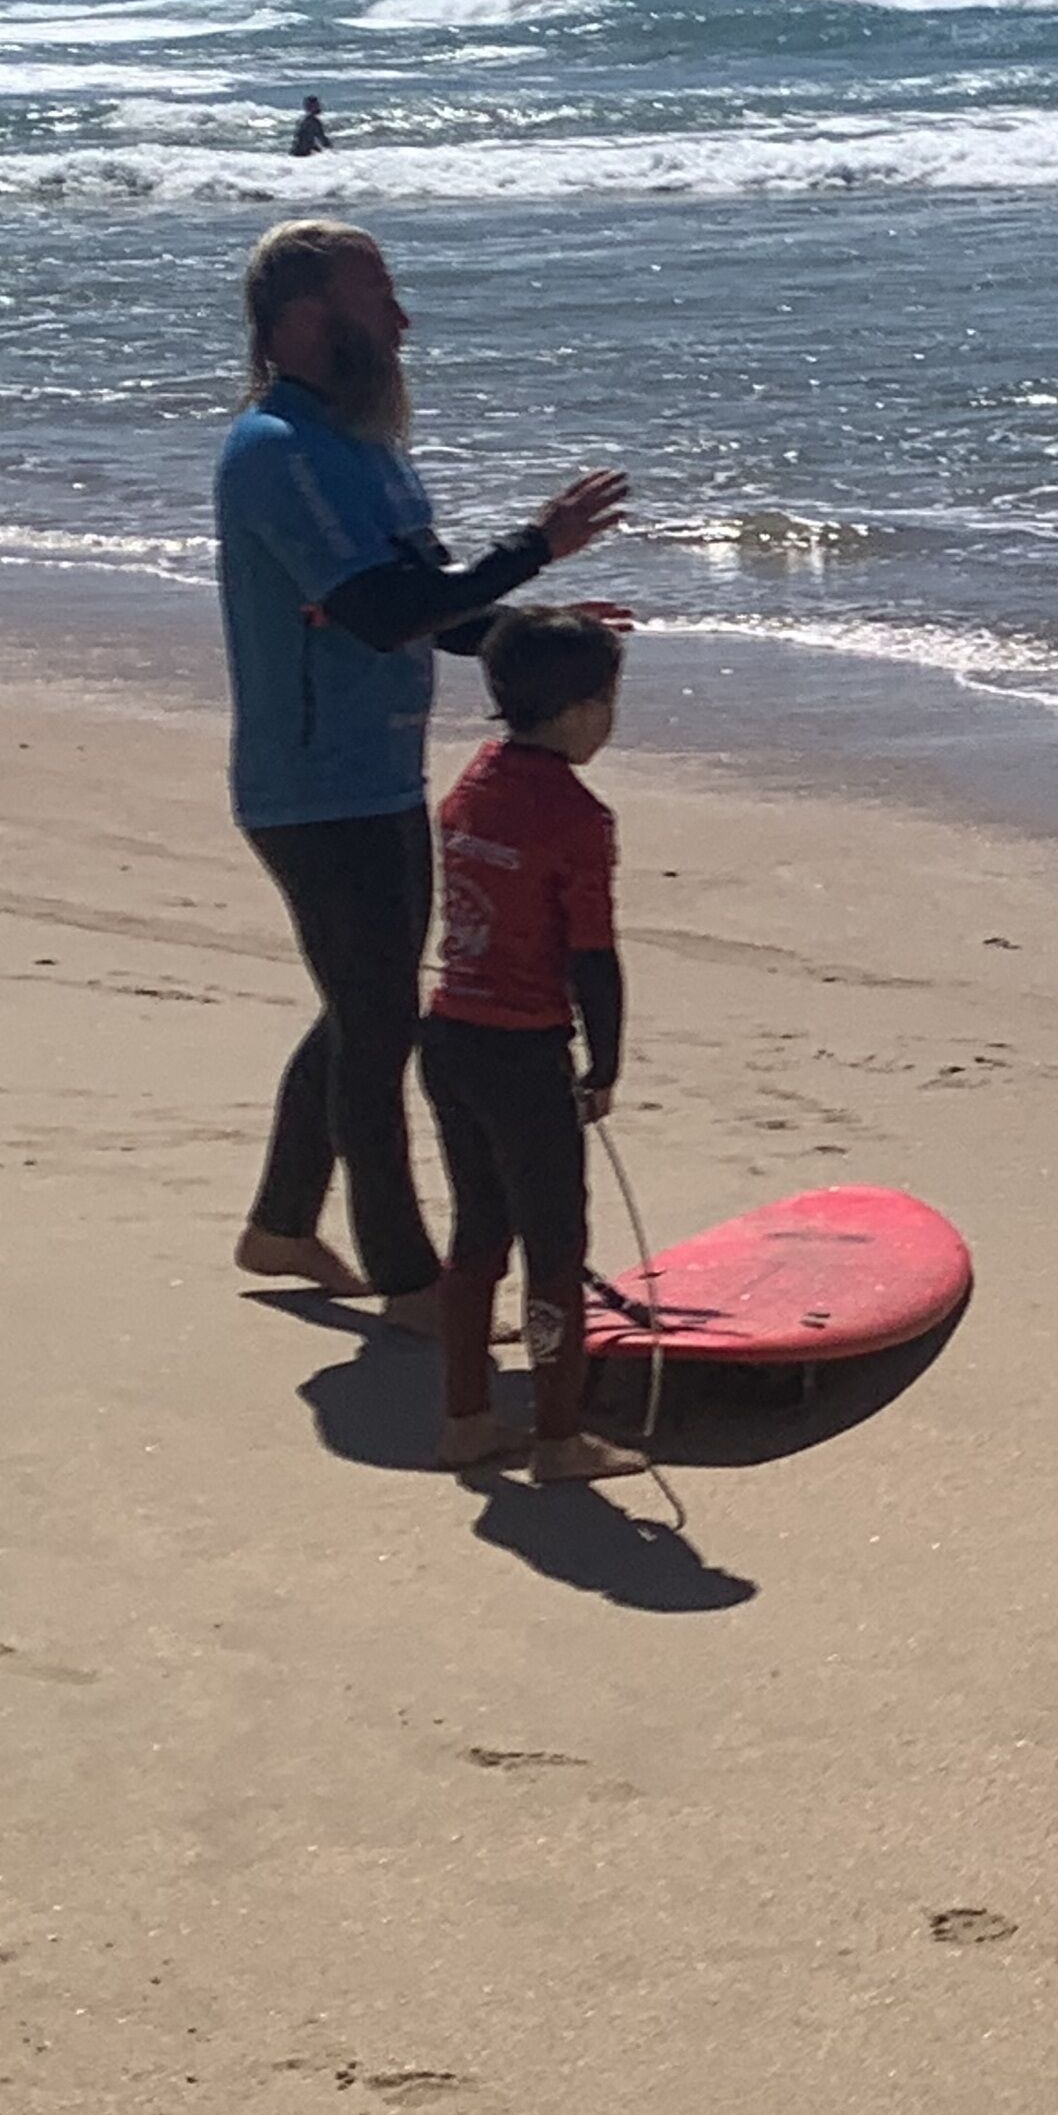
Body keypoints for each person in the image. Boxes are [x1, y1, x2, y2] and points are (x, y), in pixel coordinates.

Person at [215, 219, 626, 1333]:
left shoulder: (360, 444)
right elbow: (376, 611)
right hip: (311, 788)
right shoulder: (275, 452)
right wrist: (534, 547)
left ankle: (281, 1223)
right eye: (377, 297)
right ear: (308, 319)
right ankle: (410, 1280)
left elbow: (429, 611)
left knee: (365, 1006)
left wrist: (526, 625)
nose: (401, 320)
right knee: (379, 1021)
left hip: (379, 772)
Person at [422, 608, 644, 1479]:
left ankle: (465, 1420)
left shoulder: (472, 782)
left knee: (477, 1230)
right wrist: (607, 1062)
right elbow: (592, 956)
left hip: (450, 1036)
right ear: (586, 710)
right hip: (524, 1052)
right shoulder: (577, 818)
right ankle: (559, 1438)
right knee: (556, 1252)